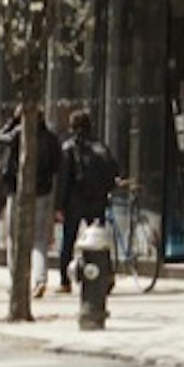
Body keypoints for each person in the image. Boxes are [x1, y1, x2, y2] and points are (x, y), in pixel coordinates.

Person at [52, 107, 118, 291]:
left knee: (68, 240)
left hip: (75, 201)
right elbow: (113, 171)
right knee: (99, 241)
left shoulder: (69, 147)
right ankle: (105, 274)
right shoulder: (100, 146)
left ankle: (65, 281)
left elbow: (64, 179)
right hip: (97, 200)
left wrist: (58, 206)